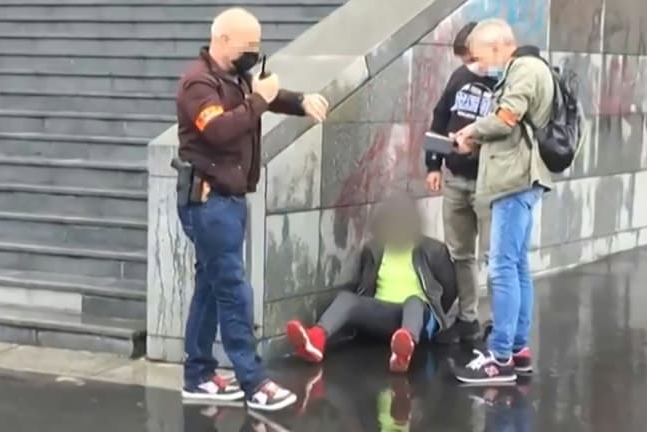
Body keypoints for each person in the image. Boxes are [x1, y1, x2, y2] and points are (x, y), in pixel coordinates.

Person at [175, 7, 329, 410]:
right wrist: (259, 98)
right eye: (248, 46)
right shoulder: (198, 83)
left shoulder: (234, 77)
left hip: (230, 199)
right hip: (208, 203)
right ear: (222, 40)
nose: (254, 54)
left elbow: (265, 98)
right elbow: (221, 130)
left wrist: (299, 101)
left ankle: (199, 374)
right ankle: (254, 382)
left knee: (210, 289)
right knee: (233, 291)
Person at [450, 19, 554, 384]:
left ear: (497, 48)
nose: (479, 66)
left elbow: (507, 117)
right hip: (519, 179)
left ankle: (501, 357)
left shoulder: (524, 69)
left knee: (503, 268)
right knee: (517, 266)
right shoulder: (527, 67)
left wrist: (471, 132)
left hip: (514, 181)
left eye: (480, 57)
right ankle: (518, 350)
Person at [285, 194, 457, 372]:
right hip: (384, 316)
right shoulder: (374, 249)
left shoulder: (433, 250)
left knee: (414, 301)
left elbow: (450, 289)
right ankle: (315, 340)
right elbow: (366, 287)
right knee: (347, 299)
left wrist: (437, 319)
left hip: (418, 318)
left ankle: (404, 350)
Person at [425, 21, 502, 342]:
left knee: (496, 256)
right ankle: (468, 317)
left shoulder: (507, 82)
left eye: (474, 56)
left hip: (491, 181)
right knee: (460, 253)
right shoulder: (459, 78)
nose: (472, 64)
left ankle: (501, 322)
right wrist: (433, 164)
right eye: (468, 58)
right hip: (457, 177)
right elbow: (439, 119)